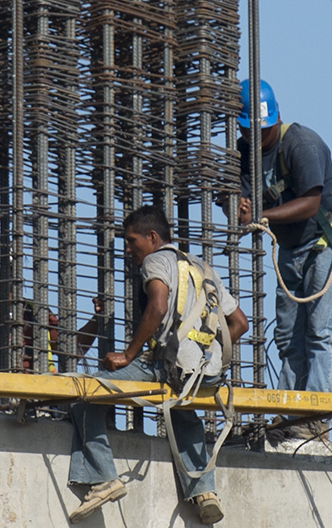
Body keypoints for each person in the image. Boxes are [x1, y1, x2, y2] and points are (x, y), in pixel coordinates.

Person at [67, 205, 249, 525]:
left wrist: (129, 354)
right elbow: (240, 323)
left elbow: (159, 305)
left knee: (86, 393)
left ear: (152, 237)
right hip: (208, 376)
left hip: (173, 369)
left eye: (131, 240)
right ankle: (205, 491)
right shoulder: (203, 267)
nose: (128, 249)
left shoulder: (156, 260)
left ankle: (102, 477)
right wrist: (208, 353)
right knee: (181, 407)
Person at [236, 79, 332, 438]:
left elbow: (309, 203)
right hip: (292, 248)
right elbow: (245, 197)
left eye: (262, 130)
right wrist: (240, 206)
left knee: (320, 329)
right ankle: (290, 413)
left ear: (275, 120)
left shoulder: (302, 144)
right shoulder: (244, 150)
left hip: (330, 241)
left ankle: (316, 414)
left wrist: (260, 214)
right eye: (249, 131)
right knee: (289, 335)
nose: (256, 138)